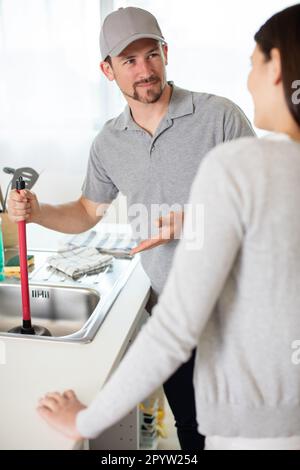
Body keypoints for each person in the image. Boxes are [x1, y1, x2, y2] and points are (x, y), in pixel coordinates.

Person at [8, 7, 254, 450]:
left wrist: (192, 219)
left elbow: (263, 207)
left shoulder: (220, 117)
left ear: (165, 53)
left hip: (233, 312)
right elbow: (87, 211)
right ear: (108, 70)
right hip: (170, 316)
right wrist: (39, 211)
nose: (145, 69)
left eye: (151, 54)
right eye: (129, 61)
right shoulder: (109, 143)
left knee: (242, 431)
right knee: (192, 431)